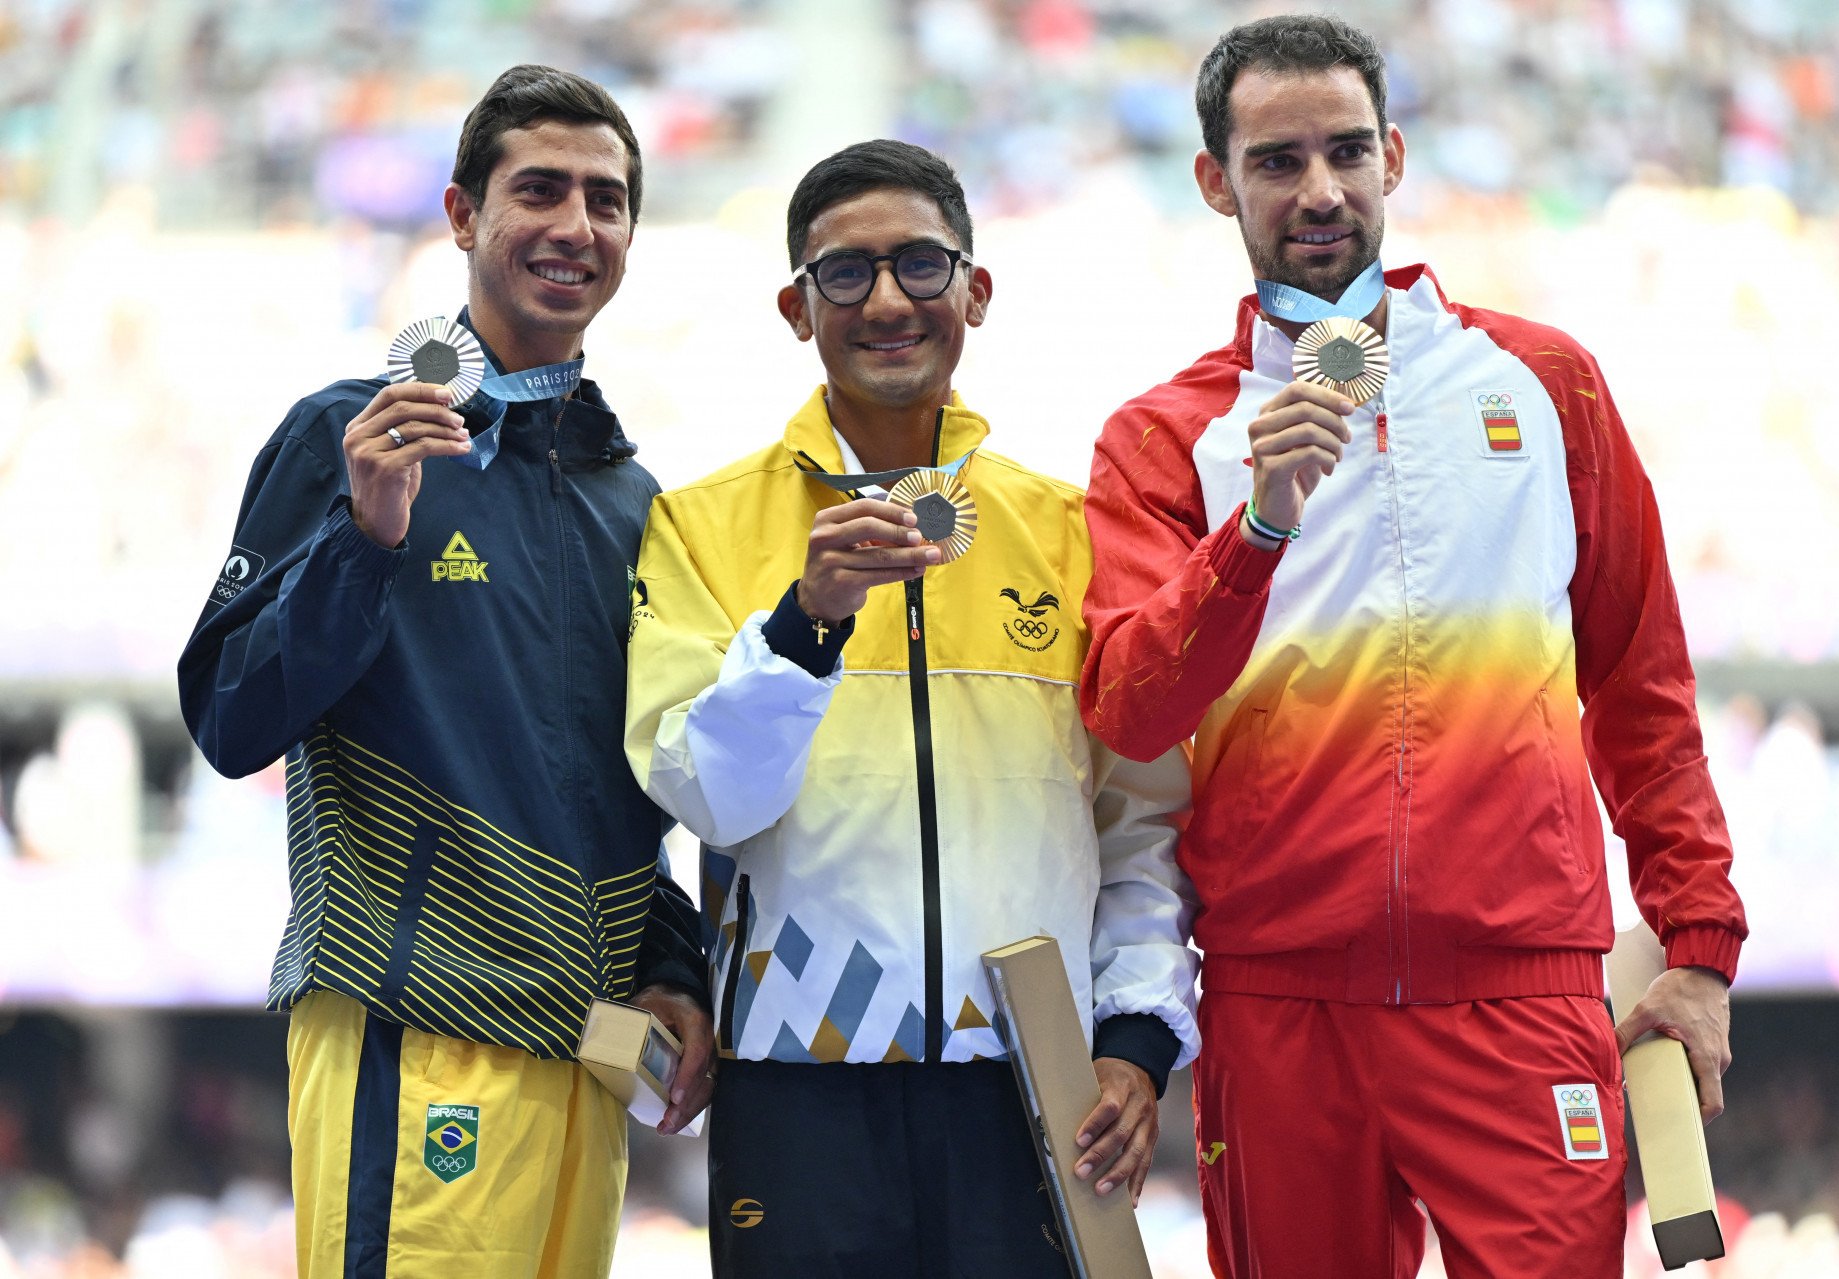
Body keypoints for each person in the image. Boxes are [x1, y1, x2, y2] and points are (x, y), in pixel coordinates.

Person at [1078, 16, 1748, 1278]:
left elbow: (1643, 688)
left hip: (1523, 995)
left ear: (1392, 156)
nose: (1319, 191)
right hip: (1281, 1005)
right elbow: (1125, 706)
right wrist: (1257, 531)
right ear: (1218, 181)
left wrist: (1699, 947)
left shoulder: (1547, 384)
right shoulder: (1164, 438)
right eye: (1278, 162)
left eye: (1345, 152)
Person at [623, 139, 1199, 1277]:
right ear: (797, 307)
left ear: (975, 291)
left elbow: (1139, 816)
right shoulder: (698, 524)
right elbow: (705, 795)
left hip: (1034, 1082)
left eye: (921, 266)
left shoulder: (1073, 528)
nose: (888, 300)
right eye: (846, 274)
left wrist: (1134, 1037)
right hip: (797, 1082)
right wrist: (806, 622)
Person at [178, 65, 712, 1279]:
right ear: (463, 214)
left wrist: (671, 963)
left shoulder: (629, 495)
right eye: (541, 191)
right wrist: (362, 540)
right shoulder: (348, 432)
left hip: (589, 1050)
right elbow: (227, 717)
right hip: (416, 1026)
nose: (578, 226)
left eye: (608, 199)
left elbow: (609, 777)